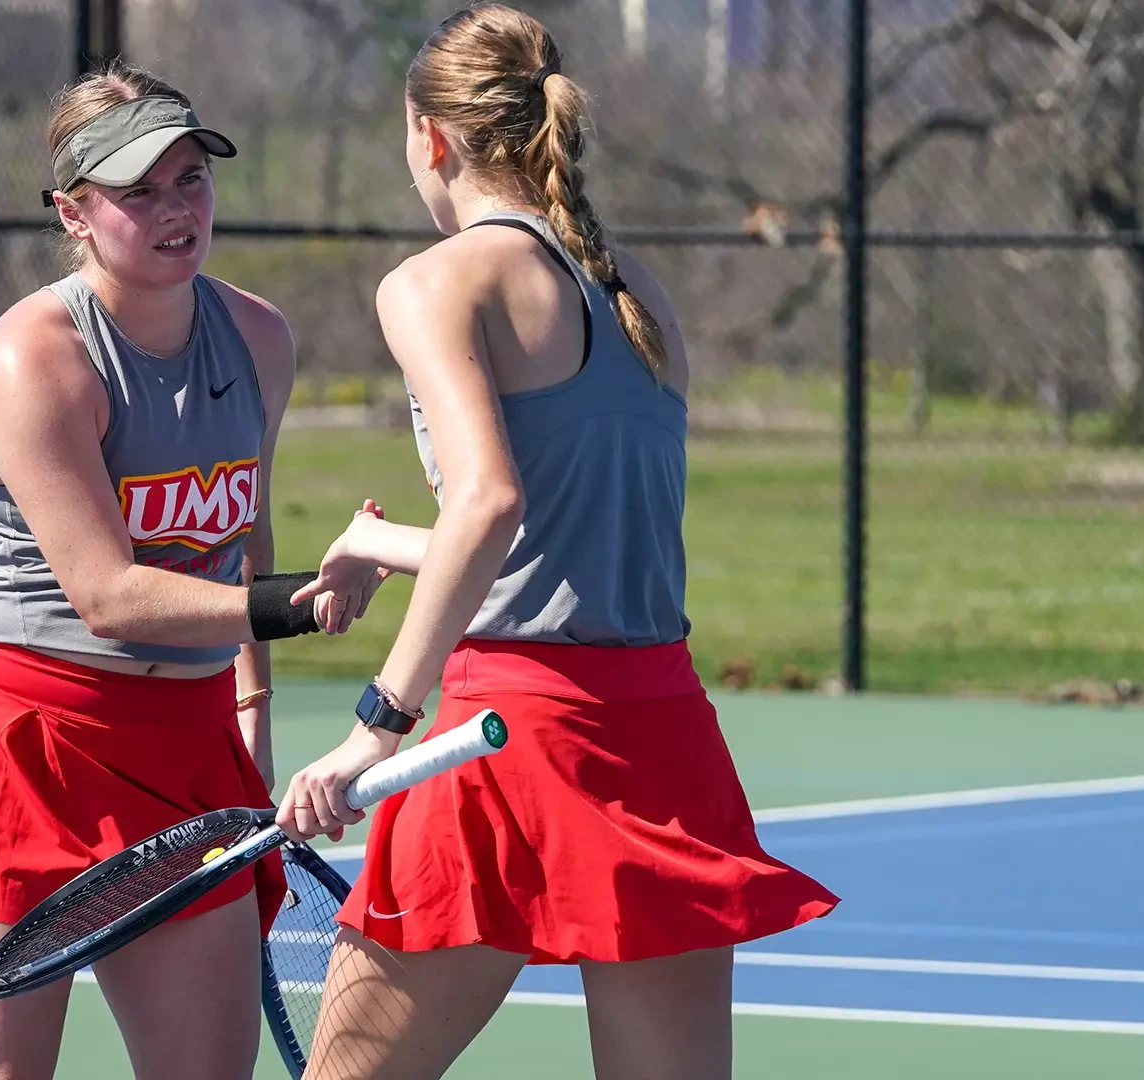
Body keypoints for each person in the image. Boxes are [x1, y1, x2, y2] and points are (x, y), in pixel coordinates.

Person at [275, 6, 841, 1079]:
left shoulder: (435, 282)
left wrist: (374, 728)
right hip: (660, 733)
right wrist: (382, 548)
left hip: (506, 736)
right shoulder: (638, 291)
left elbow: (492, 506)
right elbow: (566, 534)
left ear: (428, 136)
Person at [0, 64, 374, 1080]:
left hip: (186, 751)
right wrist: (290, 609)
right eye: (137, 191)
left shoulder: (259, 337)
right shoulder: (34, 359)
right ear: (74, 211)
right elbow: (107, 595)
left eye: (190, 179)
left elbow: (245, 521)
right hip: (22, 744)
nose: (175, 208)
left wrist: (252, 703)